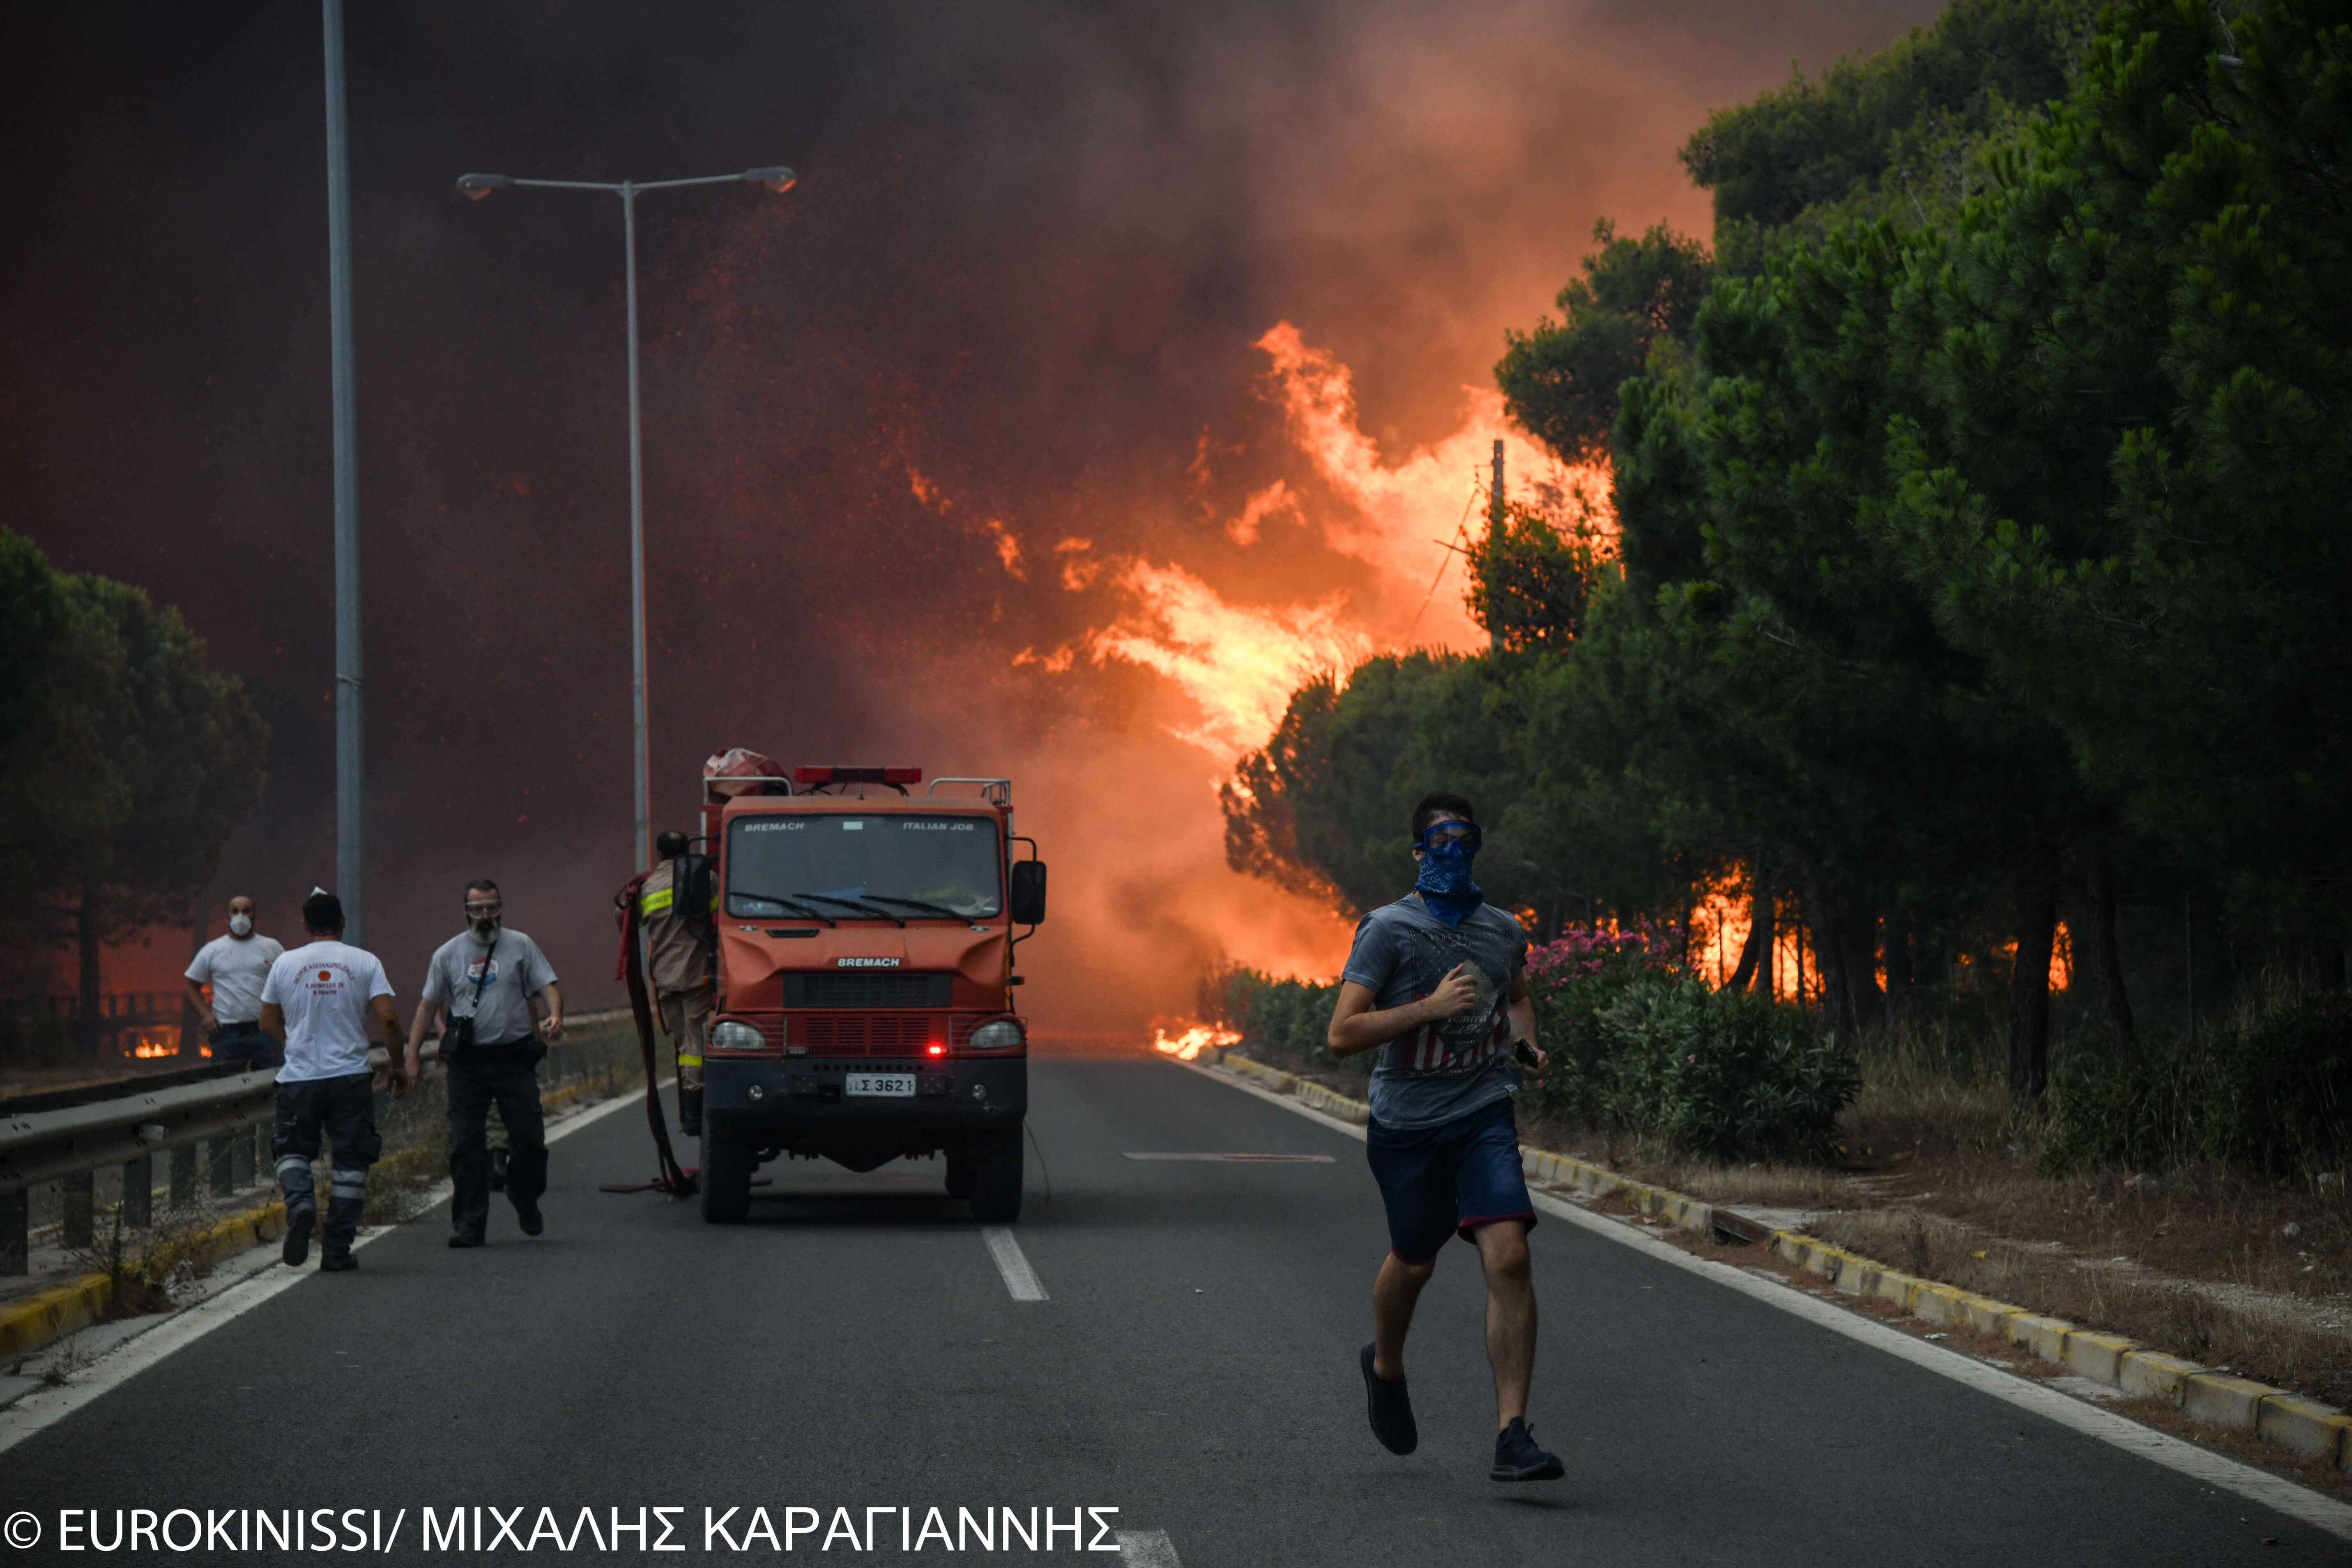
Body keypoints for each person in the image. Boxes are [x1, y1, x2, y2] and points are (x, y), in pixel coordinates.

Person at [1326, 792, 1564, 1483]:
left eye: (1467, 840)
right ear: (1418, 852)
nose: (1455, 853)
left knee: (1510, 1256)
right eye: (1441, 841)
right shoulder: (1387, 930)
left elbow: (1515, 995)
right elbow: (1341, 1033)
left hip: (1483, 1109)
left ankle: (1512, 1434)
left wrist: (1526, 1047)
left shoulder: (1501, 929)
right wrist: (1429, 1007)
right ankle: (1386, 1364)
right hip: (1406, 1124)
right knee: (1416, 1260)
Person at [405, 878, 563, 1248]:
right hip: (469, 1065)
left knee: (530, 1139)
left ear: (501, 907)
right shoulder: (447, 954)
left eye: (492, 907)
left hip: (514, 1059)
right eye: (478, 909)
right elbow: (428, 1006)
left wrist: (556, 1015)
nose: (486, 915)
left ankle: (524, 1197)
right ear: (466, 912)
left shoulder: (521, 945)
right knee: (466, 1145)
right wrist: (412, 1056)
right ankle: (470, 1225)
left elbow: (548, 985)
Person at [257, 889, 404, 1272]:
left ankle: (302, 1204)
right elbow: (388, 1020)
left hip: (300, 1079)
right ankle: (337, 1248)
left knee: (291, 1150)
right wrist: (399, 1065)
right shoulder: (365, 961)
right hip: (351, 1079)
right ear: (342, 922)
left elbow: (267, 1023)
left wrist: (296, 1043)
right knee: (352, 1161)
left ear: (305, 925)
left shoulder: (285, 964)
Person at [636, 829, 715, 1136]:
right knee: (695, 1043)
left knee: (684, 1044)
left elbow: (631, 920)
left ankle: (690, 1111)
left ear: (659, 855)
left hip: (665, 976)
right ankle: (695, 1114)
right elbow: (720, 915)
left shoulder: (648, 887)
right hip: (696, 974)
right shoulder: (706, 880)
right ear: (687, 851)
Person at [184, 895, 286, 1069]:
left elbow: (286, 984)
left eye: (246, 911)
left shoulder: (272, 947)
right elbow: (191, 988)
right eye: (235, 911)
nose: (240, 916)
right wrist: (206, 1015)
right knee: (226, 1084)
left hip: (265, 1029)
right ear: (228, 917)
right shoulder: (212, 950)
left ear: (254, 916)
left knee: (274, 1082)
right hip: (226, 1032)